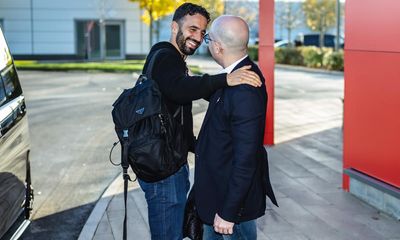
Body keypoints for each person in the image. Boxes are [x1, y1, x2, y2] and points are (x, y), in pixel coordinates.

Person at [138, 3, 262, 240]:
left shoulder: (172, 59)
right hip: (163, 169)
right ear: (175, 27)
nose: (197, 37)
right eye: (192, 29)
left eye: (203, 32)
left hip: (168, 162)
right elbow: (179, 89)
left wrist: (200, 147)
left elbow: (178, 107)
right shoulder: (166, 56)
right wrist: (225, 79)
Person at [194, 15, 278, 239]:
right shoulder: (235, 75)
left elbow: (246, 158)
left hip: (229, 212)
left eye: (208, 39)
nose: (207, 43)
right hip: (218, 199)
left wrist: (229, 213)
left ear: (218, 47)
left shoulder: (245, 88)